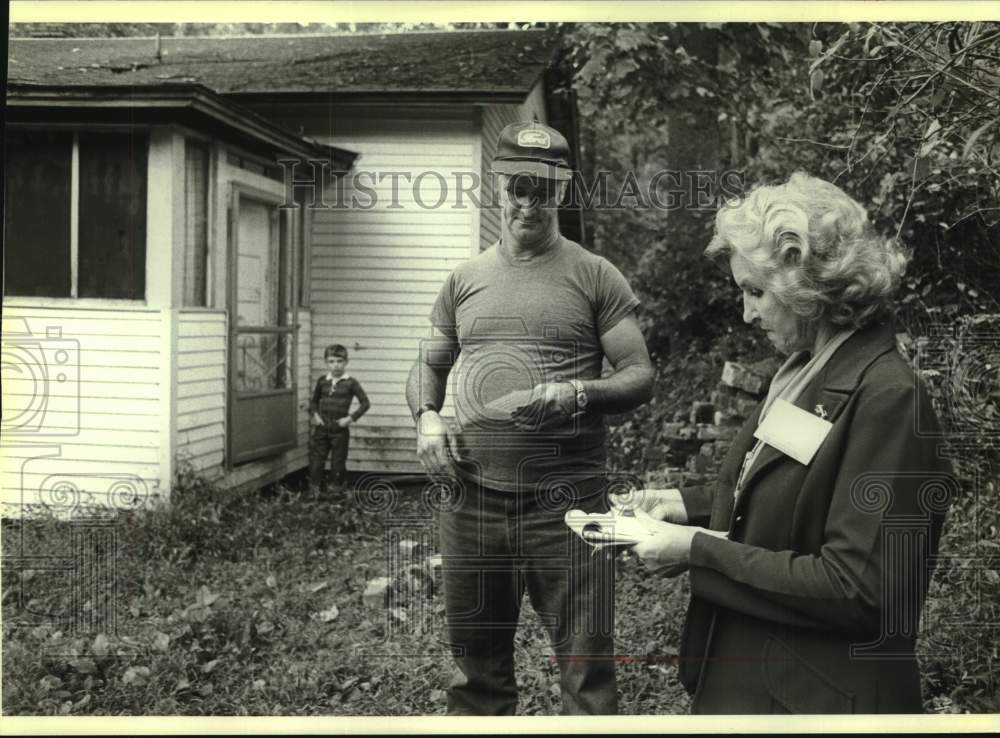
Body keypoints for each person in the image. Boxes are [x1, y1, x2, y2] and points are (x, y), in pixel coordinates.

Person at [610, 172, 953, 713]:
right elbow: (787, 483)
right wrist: (683, 505)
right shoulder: (804, 371)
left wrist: (697, 551)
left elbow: (861, 592)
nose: (747, 313)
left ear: (809, 282)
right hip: (753, 679)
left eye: (755, 292)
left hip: (818, 701)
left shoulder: (890, 399)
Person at [406, 121, 654, 715]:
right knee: (474, 671)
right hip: (472, 501)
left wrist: (575, 394)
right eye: (518, 185)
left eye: (543, 188)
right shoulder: (465, 280)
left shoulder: (596, 274)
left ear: (561, 191)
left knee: (586, 670)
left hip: (565, 504)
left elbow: (639, 374)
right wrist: (427, 419)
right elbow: (427, 366)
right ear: (499, 187)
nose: (528, 201)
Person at [308, 343, 370, 494]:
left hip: (339, 430)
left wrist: (349, 419)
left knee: (338, 462)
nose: (336, 365)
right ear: (326, 362)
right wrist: (315, 415)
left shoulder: (351, 383)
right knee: (317, 461)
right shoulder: (322, 381)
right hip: (322, 429)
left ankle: (335, 491)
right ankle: (314, 490)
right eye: (332, 361)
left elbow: (365, 403)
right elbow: (314, 402)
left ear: (346, 362)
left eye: (339, 361)